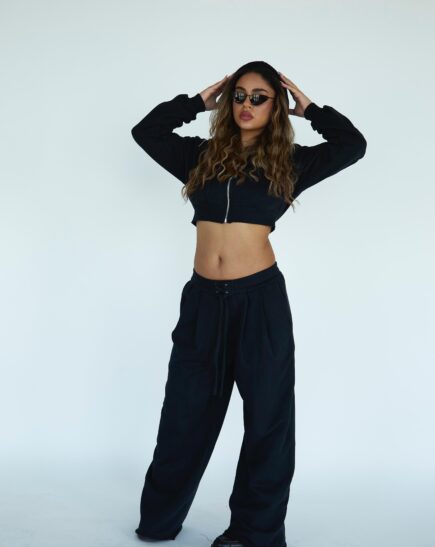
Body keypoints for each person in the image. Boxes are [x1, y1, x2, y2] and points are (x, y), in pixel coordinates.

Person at [130, 60, 367, 547]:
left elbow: (352, 145)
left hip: (259, 303)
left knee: (267, 421)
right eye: (239, 95)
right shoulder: (200, 156)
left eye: (259, 97)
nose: (246, 105)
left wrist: (311, 109)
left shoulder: (291, 163)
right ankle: (159, 520)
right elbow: (146, 132)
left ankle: (255, 533)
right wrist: (198, 102)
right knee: (184, 415)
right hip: (203, 304)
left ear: (276, 105)